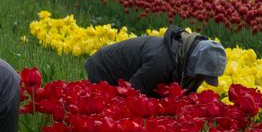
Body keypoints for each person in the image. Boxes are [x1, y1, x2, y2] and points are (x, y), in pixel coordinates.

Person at [84, 27, 227, 96]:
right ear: (194, 63)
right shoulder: (161, 61)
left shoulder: (184, 58)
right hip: (104, 69)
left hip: (124, 74)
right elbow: (134, 92)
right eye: (201, 75)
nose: (201, 79)